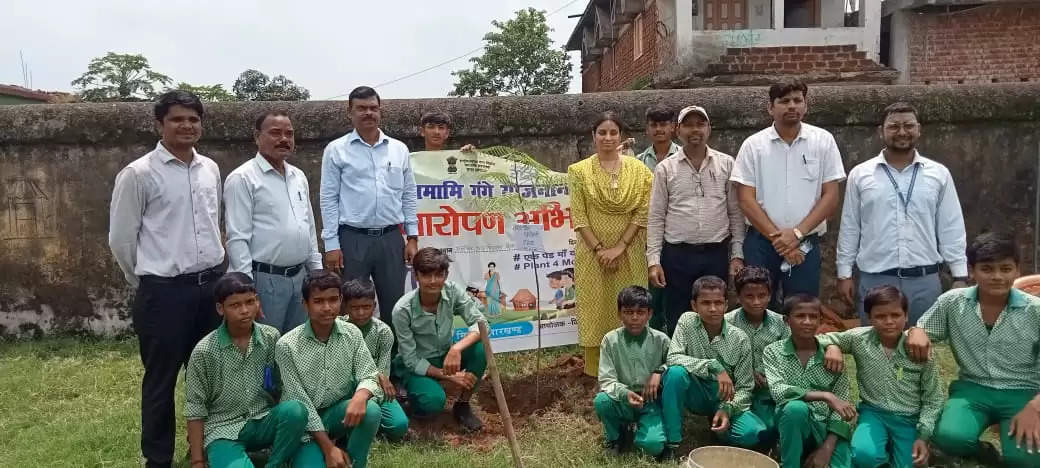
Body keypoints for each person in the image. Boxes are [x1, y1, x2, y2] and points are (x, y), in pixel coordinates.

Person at [108, 90, 225, 468]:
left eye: (193, 119)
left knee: (209, 375)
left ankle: (212, 447)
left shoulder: (209, 168)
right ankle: (157, 458)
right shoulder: (138, 174)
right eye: (177, 119)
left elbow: (213, 224)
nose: (186, 126)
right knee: (160, 381)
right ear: (159, 124)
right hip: (163, 293)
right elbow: (122, 239)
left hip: (210, 288)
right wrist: (146, 279)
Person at [906, 232, 1040, 466]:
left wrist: (1035, 408)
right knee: (949, 437)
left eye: (1006, 269)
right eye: (987, 269)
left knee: (1024, 460)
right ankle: (983, 451)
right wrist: (916, 331)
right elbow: (921, 331)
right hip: (973, 388)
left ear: (1017, 270)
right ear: (971, 270)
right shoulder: (953, 302)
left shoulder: (1035, 310)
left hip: (1024, 392)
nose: (997, 276)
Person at [837, 102, 968, 326]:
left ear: (919, 129)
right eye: (894, 126)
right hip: (876, 279)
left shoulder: (938, 174)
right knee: (874, 350)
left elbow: (950, 226)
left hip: (924, 281)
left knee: (922, 348)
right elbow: (850, 226)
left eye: (908, 125)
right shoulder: (861, 174)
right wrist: (844, 273)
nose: (902, 132)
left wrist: (960, 275)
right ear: (881, 131)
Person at [731, 79, 846, 309]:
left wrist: (797, 234)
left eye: (797, 100)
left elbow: (831, 197)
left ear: (806, 106)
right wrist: (779, 239)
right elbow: (745, 199)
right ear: (770, 108)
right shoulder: (754, 145)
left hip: (806, 243)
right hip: (762, 243)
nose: (791, 106)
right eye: (784, 101)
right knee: (759, 309)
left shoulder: (823, 141)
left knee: (803, 308)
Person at [320, 86, 418, 335]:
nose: (368, 113)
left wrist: (412, 237)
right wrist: (331, 243)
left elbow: (408, 194)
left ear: (380, 111)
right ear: (350, 113)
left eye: (373, 108)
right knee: (350, 306)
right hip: (352, 239)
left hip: (390, 238)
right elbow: (328, 197)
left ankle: (393, 365)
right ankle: (351, 363)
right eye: (361, 108)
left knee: (395, 305)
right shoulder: (336, 149)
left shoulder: (398, 149)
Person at [184, 273, 308, 468]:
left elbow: (283, 385)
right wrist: (198, 461)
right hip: (222, 429)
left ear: (258, 302)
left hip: (263, 418)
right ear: (220, 308)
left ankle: (275, 463)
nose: (244, 311)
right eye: (235, 305)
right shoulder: (204, 351)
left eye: (250, 302)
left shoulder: (270, 337)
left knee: (296, 410)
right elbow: (195, 407)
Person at [818, 285, 942, 468]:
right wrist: (833, 347)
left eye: (895, 315)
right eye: (880, 316)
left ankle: (902, 449)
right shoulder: (859, 338)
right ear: (869, 318)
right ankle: (879, 452)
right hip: (873, 413)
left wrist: (923, 436)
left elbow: (933, 398)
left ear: (906, 316)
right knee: (863, 456)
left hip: (909, 419)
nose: (889, 321)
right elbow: (819, 340)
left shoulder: (919, 348)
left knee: (911, 463)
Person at [568, 111, 653, 377]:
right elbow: (579, 218)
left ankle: (634, 369)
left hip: (631, 251)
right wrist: (600, 249)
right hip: (592, 255)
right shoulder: (579, 171)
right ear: (593, 136)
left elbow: (643, 211)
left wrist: (619, 248)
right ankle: (595, 373)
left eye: (613, 132)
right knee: (596, 310)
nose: (607, 137)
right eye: (602, 132)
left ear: (621, 136)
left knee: (633, 306)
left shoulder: (639, 170)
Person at [648, 105, 745, 334]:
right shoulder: (665, 168)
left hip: (715, 253)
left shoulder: (726, 164)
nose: (695, 130)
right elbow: (656, 216)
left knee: (713, 314)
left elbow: (735, 213)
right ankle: (679, 365)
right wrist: (654, 260)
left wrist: (737, 254)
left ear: (709, 129)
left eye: (700, 124)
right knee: (678, 316)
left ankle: (712, 364)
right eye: (689, 125)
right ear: (678, 130)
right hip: (677, 255)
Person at [225, 111, 322, 333]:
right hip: (264, 281)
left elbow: (308, 228)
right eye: (275, 133)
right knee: (264, 348)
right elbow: (237, 238)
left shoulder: (298, 176)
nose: (284, 139)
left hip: (300, 278)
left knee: (296, 347)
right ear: (256, 137)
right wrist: (247, 292)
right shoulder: (243, 178)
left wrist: (316, 274)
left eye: (289, 134)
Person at [276, 270, 383, 468]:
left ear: (341, 300)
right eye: (318, 301)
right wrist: (328, 449)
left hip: (337, 414)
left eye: (333, 300)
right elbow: (299, 400)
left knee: (371, 409)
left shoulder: (352, 333)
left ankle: (355, 463)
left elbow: (368, 373)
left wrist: (361, 396)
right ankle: (322, 451)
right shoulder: (287, 345)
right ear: (305, 304)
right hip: (304, 426)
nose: (327, 308)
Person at [660, 276, 766, 459]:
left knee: (754, 432)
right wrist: (713, 366)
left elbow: (745, 387)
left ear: (726, 305)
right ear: (694, 305)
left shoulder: (739, 339)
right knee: (675, 373)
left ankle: (720, 430)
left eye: (718, 303)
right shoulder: (687, 321)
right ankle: (672, 443)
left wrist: (728, 408)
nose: (713, 309)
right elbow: (673, 357)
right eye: (706, 303)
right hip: (695, 390)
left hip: (724, 396)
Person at [391, 247, 487, 431]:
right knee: (433, 402)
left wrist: (456, 349)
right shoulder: (402, 310)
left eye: (439, 275)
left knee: (480, 349)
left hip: (445, 355)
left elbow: (481, 324)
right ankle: (410, 402)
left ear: (446, 275)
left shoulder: (452, 291)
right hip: (417, 366)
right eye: (426, 275)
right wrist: (450, 376)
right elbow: (410, 360)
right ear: (416, 276)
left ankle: (463, 405)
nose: (433, 281)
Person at [763, 294, 855, 468]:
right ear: (786, 320)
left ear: (820, 320)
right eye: (800, 316)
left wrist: (827, 448)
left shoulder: (832, 357)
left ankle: (814, 451)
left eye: (813, 317)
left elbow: (843, 406)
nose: (807, 322)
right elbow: (778, 390)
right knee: (795, 408)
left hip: (826, 430)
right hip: (792, 423)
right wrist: (826, 396)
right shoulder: (773, 352)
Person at [595, 286, 669, 459]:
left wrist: (659, 371)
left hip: (651, 402)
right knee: (602, 401)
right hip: (623, 399)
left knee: (652, 447)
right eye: (628, 312)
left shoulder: (661, 339)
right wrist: (624, 393)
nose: (634, 318)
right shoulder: (610, 340)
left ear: (650, 314)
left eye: (640, 312)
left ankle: (645, 431)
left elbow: (674, 361)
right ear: (619, 314)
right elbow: (606, 379)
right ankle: (615, 437)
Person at [724, 266, 790, 445]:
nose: (756, 302)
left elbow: (789, 358)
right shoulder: (727, 322)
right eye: (749, 296)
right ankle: (725, 422)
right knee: (752, 434)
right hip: (735, 390)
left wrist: (770, 374)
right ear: (738, 297)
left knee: (770, 430)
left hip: (767, 393)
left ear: (770, 295)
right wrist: (746, 372)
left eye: (762, 296)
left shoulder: (781, 323)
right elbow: (718, 357)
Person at [341, 279, 409, 441]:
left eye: (366, 307)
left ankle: (371, 423)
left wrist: (376, 380)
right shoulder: (338, 328)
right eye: (355, 308)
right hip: (344, 388)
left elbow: (383, 374)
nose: (361, 313)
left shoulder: (383, 332)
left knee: (399, 425)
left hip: (375, 387)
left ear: (374, 305)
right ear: (345, 306)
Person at [636, 105, 680, 172]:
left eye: (663, 124)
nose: (658, 129)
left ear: (672, 127)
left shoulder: (684, 156)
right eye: (653, 125)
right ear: (647, 129)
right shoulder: (640, 160)